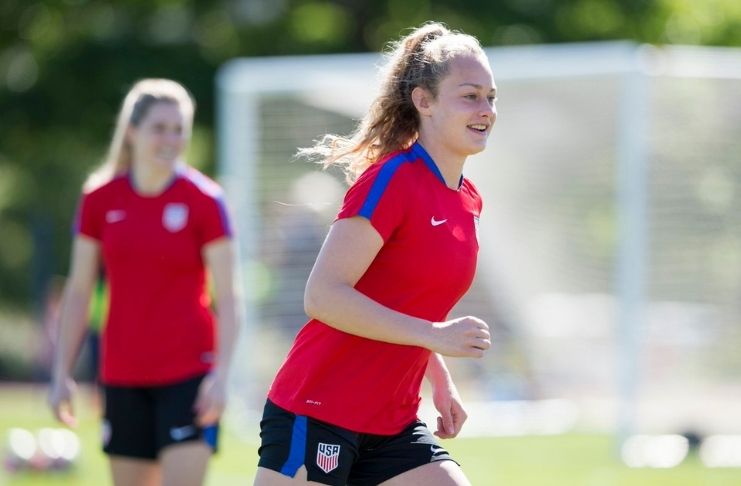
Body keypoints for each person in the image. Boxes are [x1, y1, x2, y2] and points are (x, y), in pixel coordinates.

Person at [254, 22, 496, 486]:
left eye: (491, 96)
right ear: (423, 101)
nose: (485, 109)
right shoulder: (392, 180)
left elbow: (403, 300)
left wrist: (439, 378)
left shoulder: (469, 200)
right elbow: (323, 295)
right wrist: (436, 336)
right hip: (318, 407)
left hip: (391, 422)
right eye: (469, 95)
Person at [48, 78, 240, 486]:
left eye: (179, 129)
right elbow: (79, 290)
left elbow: (229, 296)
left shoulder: (205, 200)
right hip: (122, 375)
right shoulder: (99, 199)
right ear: (132, 131)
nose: (171, 139)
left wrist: (221, 376)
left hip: (190, 374)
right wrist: (61, 371)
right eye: (160, 127)